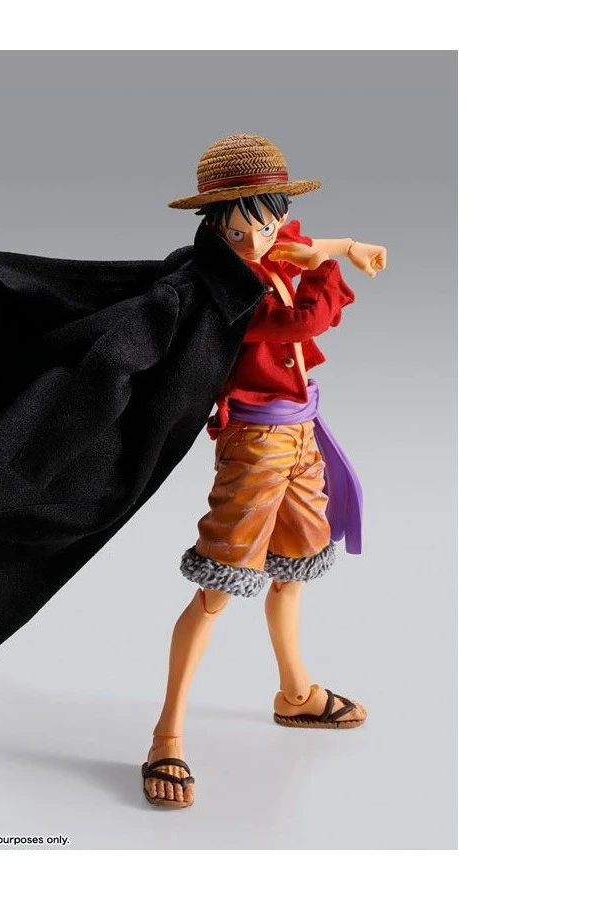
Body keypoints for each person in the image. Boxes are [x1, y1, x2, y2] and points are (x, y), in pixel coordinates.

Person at [141, 133, 387, 809]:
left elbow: (294, 244)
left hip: (301, 433)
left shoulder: (269, 243)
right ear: (212, 227)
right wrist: (331, 261)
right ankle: (167, 735)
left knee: (294, 567)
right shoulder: (218, 286)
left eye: (267, 224)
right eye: (238, 232)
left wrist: (339, 244)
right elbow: (301, 322)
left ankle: (296, 692)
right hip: (254, 445)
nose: (256, 243)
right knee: (219, 587)